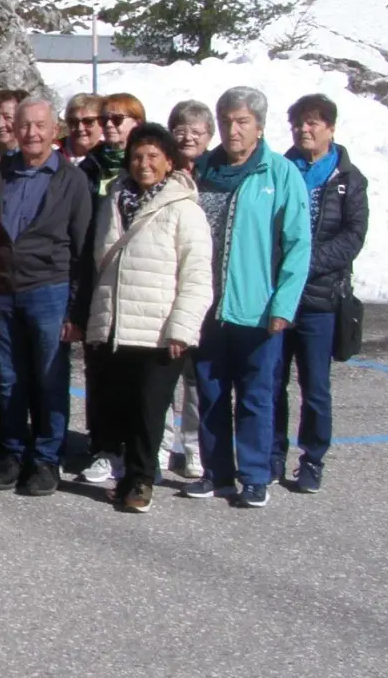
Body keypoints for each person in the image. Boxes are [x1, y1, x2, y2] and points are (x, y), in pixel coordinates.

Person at [182, 87, 310, 508]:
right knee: (211, 392)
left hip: (256, 308)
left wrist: (283, 305)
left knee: (255, 396)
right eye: (226, 121)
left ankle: (254, 475)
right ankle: (216, 473)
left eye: (242, 122)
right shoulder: (203, 169)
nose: (232, 130)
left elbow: (297, 245)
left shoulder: (278, 173)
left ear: (259, 126)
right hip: (207, 306)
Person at [85, 125, 212, 512]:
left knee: (148, 411)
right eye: (138, 156)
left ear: (170, 162)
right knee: (121, 407)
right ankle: (126, 478)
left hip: (158, 331)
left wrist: (183, 328)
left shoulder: (183, 209)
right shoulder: (113, 202)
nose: (144, 164)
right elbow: (99, 268)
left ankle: (142, 481)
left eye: (154, 156)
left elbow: (197, 275)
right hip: (115, 326)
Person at [0, 98, 92, 497]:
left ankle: (47, 458)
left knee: (49, 379)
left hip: (49, 290)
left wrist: (76, 309)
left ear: (54, 129)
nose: (31, 133)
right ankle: (12, 452)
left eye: (39, 126)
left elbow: (82, 249)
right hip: (2, 291)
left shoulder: (71, 180)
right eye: (24, 125)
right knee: (8, 379)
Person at [274, 93, 367, 494]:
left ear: (330, 127)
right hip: (278, 297)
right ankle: (272, 453)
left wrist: (303, 263)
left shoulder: (348, 178)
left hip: (320, 300)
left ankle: (312, 459)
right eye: (298, 122)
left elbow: (353, 237)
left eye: (313, 122)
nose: (304, 129)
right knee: (271, 381)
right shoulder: (277, 169)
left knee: (316, 385)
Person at [77, 92, 144, 485]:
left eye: (119, 118)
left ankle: (138, 448)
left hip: (136, 280)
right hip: (94, 277)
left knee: (136, 373)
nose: (110, 125)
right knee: (98, 369)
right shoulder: (90, 166)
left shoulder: (147, 164)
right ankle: (103, 447)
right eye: (105, 119)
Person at [164, 99, 215, 477]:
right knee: (164, 371)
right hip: (164, 284)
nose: (188, 137)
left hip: (202, 285)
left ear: (209, 137)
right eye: (181, 129)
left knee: (197, 377)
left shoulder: (217, 173)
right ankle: (164, 443)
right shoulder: (162, 171)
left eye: (196, 131)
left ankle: (195, 445)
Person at [63, 93, 106, 164]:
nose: (80, 128)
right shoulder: (53, 152)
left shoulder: (111, 157)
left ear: (103, 122)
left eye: (88, 121)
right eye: (73, 121)